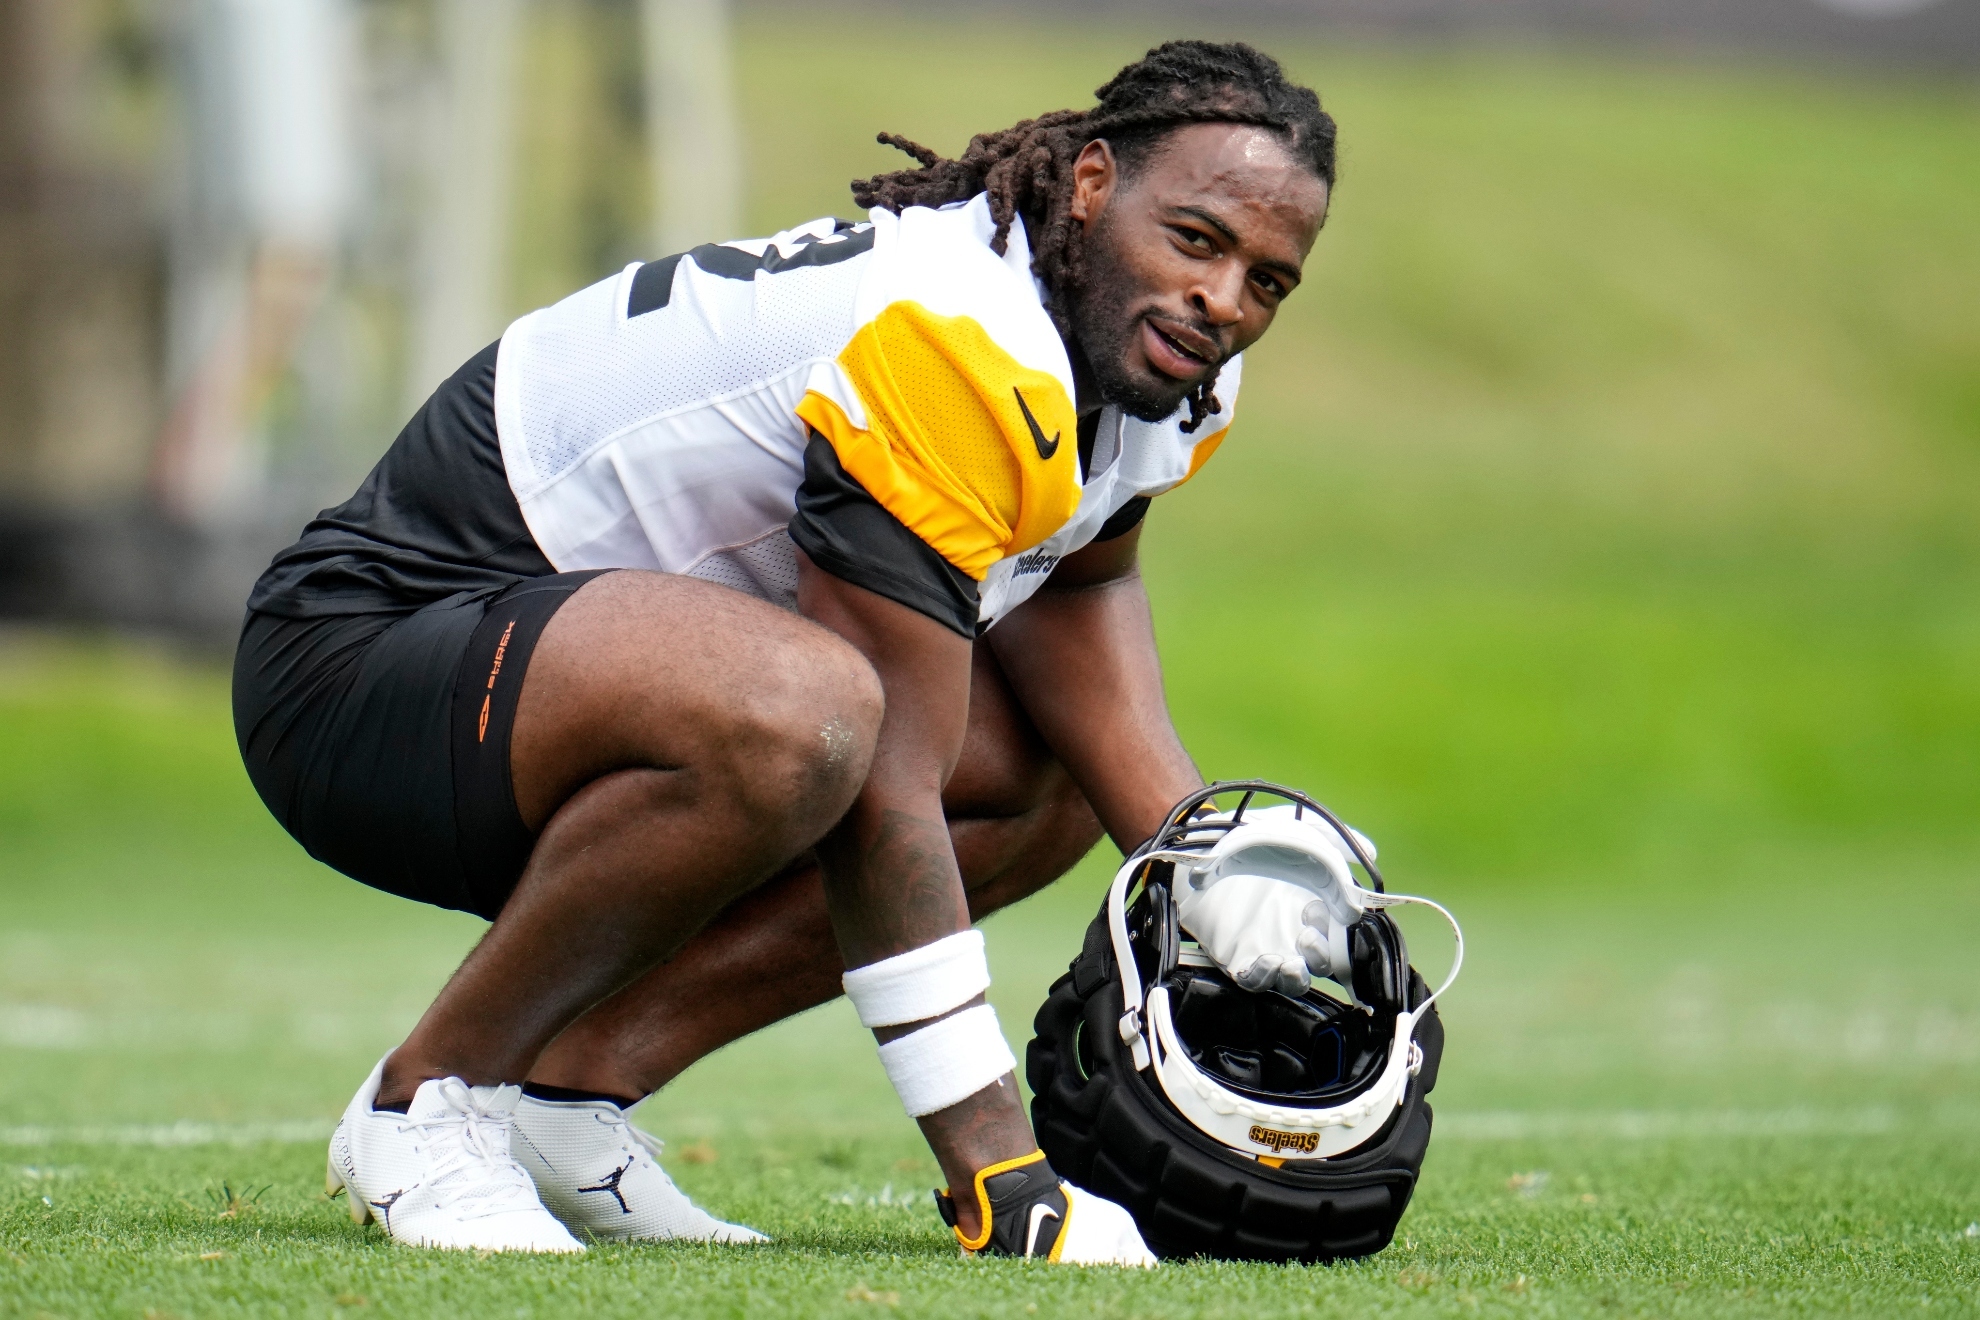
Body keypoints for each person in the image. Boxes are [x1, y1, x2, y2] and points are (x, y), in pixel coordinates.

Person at [233, 39, 1336, 1263]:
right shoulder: (957, 338)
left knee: (1045, 774)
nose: (1225, 301)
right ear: (1088, 184)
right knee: (807, 712)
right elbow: (885, 792)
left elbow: (1081, 593)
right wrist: (1000, 1173)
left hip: (581, 678)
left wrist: (1202, 863)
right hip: (363, 665)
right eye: (1196, 240)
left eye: (1267, 282)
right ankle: (425, 1102)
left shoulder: (1143, 365)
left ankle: (567, 1093)